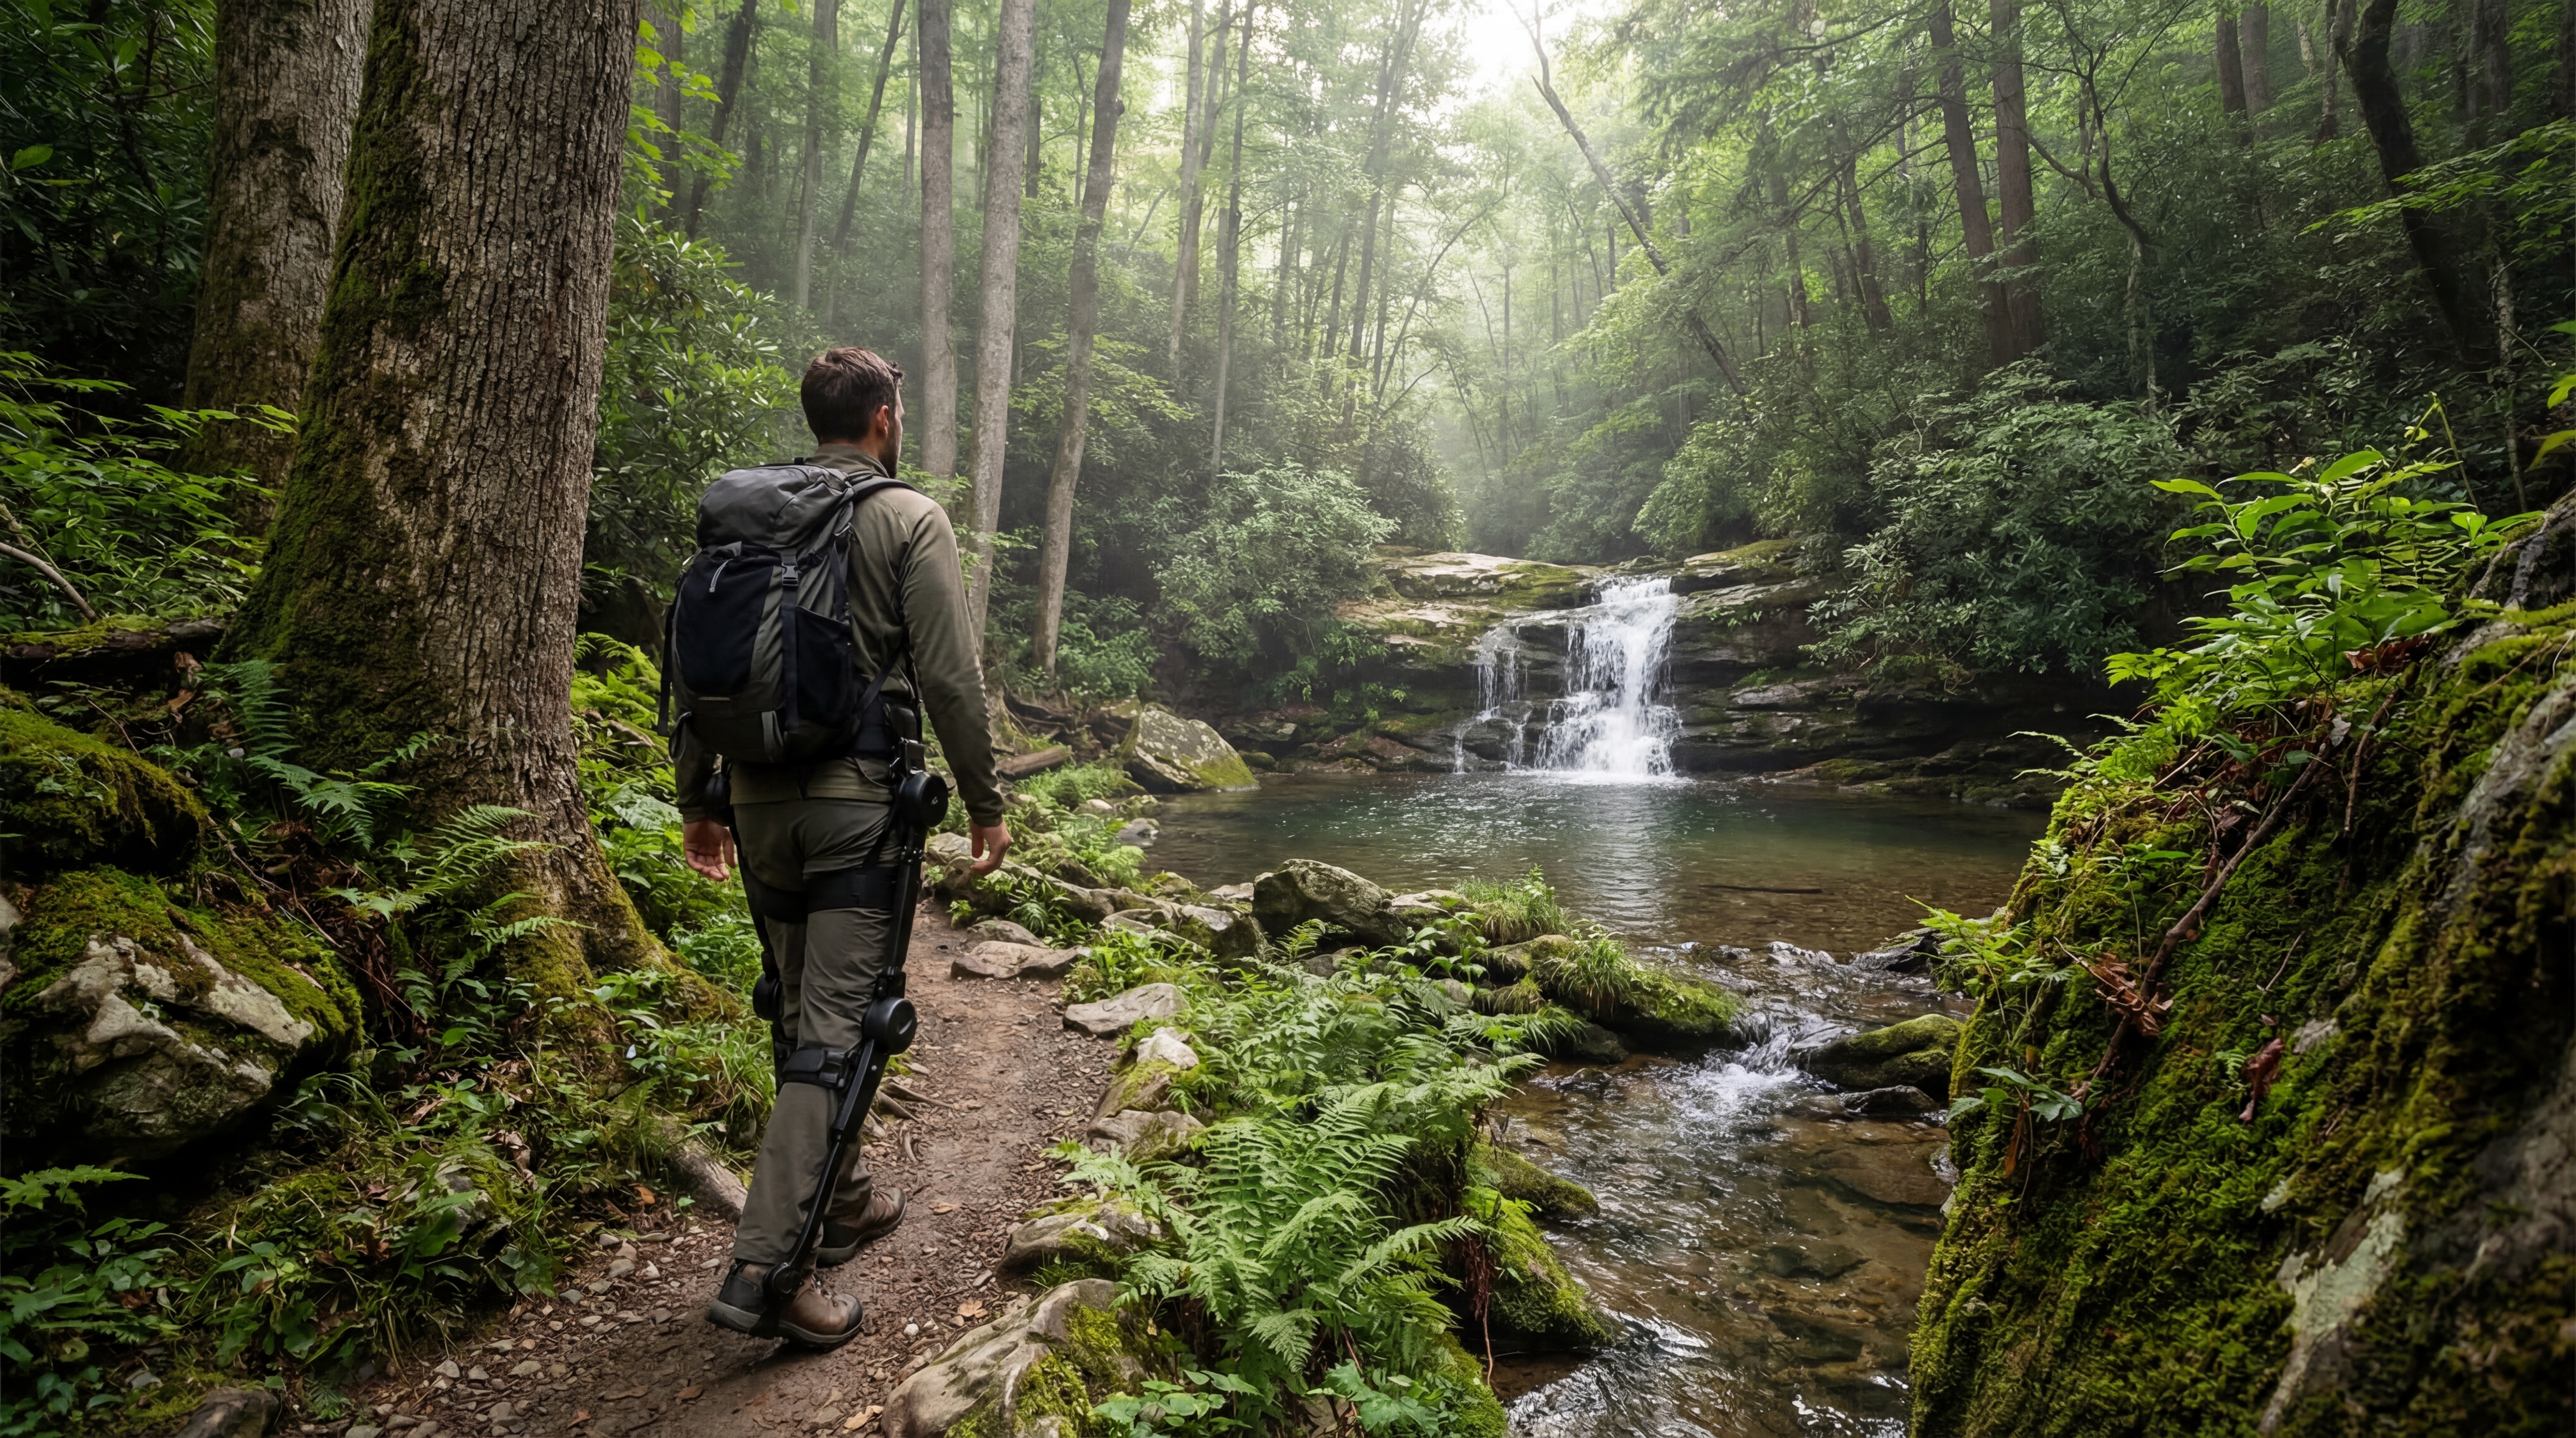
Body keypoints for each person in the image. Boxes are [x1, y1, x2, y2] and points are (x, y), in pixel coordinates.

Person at [675, 346, 1011, 1346]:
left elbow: (694, 660)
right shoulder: (905, 517)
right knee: (834, 1037)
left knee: (796, 1009)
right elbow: (949, 677)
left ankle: (848, 1196)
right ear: (883, 419)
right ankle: (767, 1276)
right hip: (857, 805)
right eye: (897, 408)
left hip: (757, 801)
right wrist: (986, 802)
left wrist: (698, 796)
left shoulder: (749, 520)